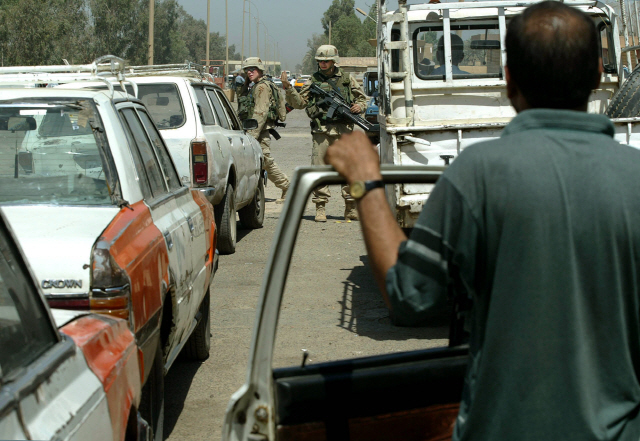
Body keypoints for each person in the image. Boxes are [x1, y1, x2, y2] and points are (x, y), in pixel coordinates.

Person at [326, 1, 640, 439]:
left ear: (509, 79)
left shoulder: (475, 176)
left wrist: (364, 180)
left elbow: (410, 297)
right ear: (596, 76)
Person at [280, 45, 367, 222]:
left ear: (334, 61)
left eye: (326, 61)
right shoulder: (313, 80)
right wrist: (288, 88)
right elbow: (300, 103)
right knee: (319, 169)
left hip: (344, 130)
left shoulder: (346, 79)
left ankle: (350, 207)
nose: (323, 64)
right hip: (322, 130)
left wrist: (360, 107)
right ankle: (320, 206)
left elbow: (361, 98)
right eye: (320, 61)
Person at [238, 57, 290, 203]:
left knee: (265, 161)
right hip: (257, 131)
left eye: (253, 69)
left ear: (260, 70)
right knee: (260, 162)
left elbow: (260, 113)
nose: (249, 72)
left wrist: (251, 136)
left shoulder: (261, 87)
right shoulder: (256, 85)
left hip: (259, 132)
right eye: (247, 70)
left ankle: (287, 187)